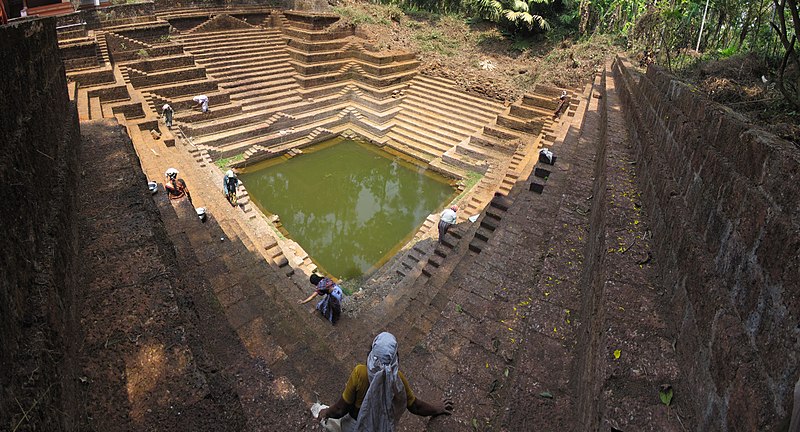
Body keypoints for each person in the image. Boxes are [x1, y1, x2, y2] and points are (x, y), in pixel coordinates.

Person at [317, 332, 453, 431]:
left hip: (354, 426)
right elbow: (416, 407)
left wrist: (326, 412)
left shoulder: (360, 373)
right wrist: (437, 408)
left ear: (372, 354)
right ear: (394, 359)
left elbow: (340, 409)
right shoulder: (398, 381)